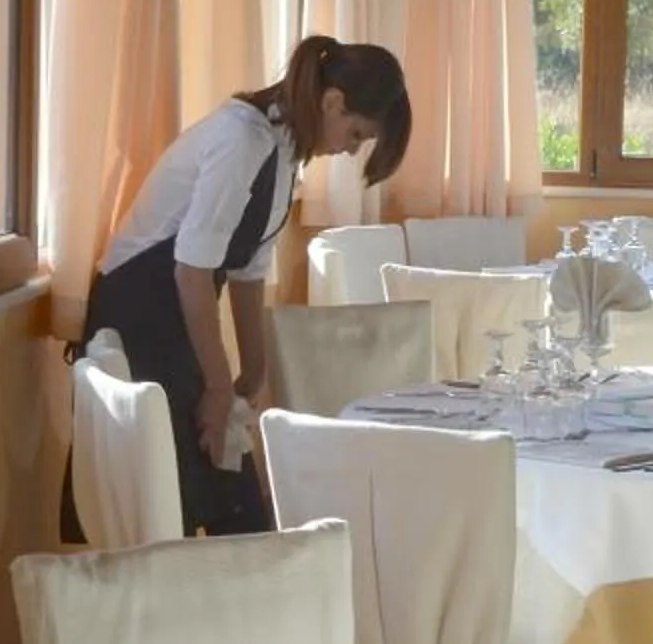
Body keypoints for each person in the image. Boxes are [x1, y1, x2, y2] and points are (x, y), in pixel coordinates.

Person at [83, 36, 410, 534]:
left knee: (234, 492)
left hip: (174, 320)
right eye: (357, 134)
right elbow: (191, 271)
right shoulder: (241, 140)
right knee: (209, 496)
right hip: (140, 319)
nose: (349, 149)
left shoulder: (282, 153)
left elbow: (246, 271)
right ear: (333, 102)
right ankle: (226, 600)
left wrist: (252, 371)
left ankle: (239, 600)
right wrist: (217, 385)